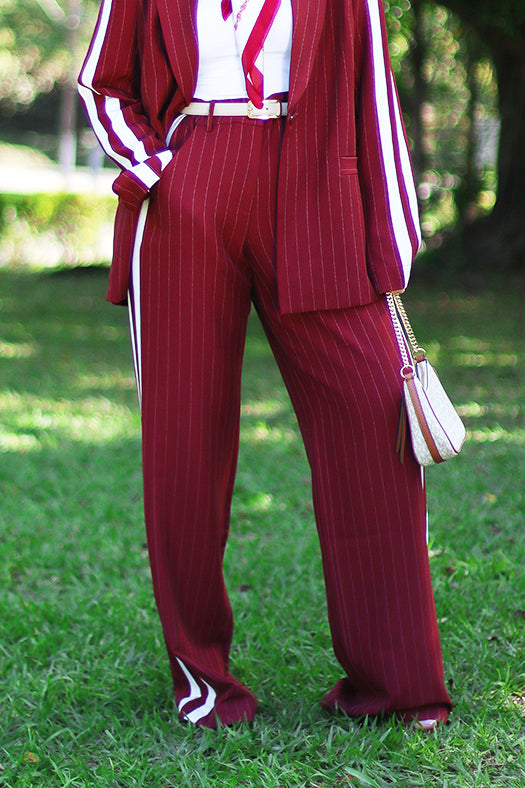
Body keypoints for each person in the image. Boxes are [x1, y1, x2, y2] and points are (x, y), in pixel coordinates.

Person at [79, 0, 452, 730]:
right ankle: (205, 684)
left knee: (374, 419)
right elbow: (103, 81)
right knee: (184, 444)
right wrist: (157, 170)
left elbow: (371, 96)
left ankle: (396, 687)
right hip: (191, 182)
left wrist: (390, 246)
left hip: (316, 181)